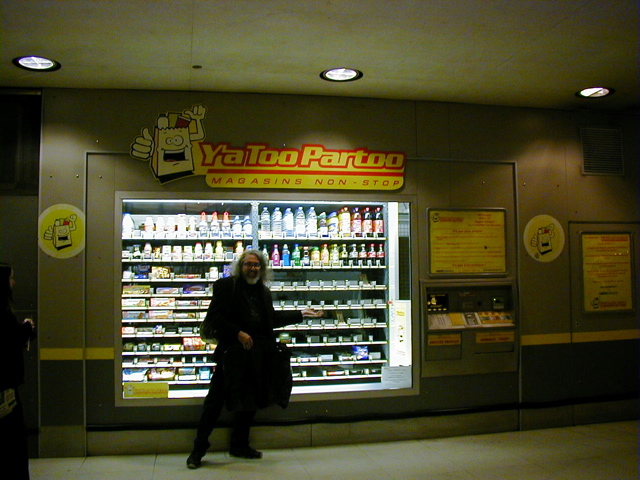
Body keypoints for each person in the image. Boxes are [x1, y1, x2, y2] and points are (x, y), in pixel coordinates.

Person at [187, 250, 322, 469]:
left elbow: (271, 320)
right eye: (248, 264)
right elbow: (215, 318)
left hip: (256, 353)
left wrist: (301, 314)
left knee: (249, 402)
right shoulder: (226, 286)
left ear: (262, 268)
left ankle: (239, 445)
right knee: (215, 401)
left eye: (257, 265)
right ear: (240, 266)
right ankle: (198, 450)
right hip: (231, 354)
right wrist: (237, 333)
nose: (253, 268)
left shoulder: (263, 292)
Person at [0, 263, 37, 480]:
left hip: (7, 383)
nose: (13, 282)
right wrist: (25, 330)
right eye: (11, 278)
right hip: (6, 386)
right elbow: (7, 340)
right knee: (12, 440)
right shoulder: (3, 313)